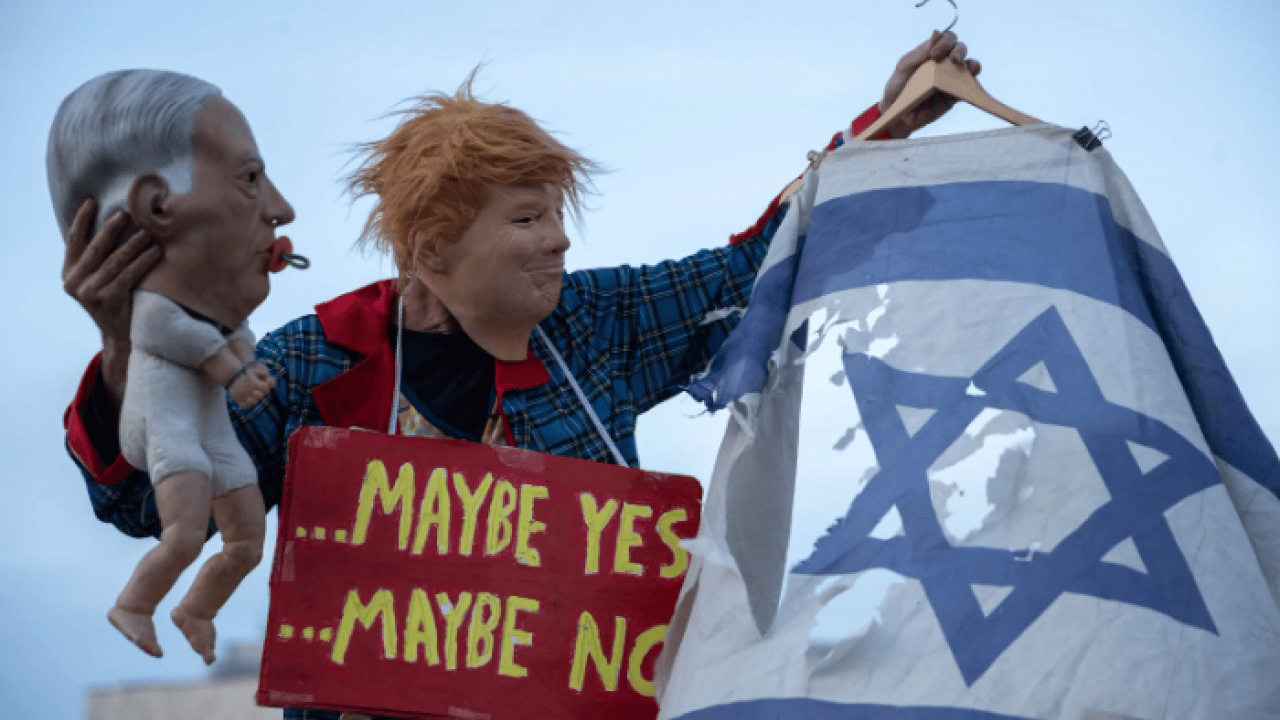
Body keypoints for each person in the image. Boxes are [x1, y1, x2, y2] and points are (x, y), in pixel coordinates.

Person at [59, 32, 979, 720]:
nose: (561, 240)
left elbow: (753, 270)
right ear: (432, 250)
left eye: (556, 214)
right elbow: (146, 502)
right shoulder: (317, 362)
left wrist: (881, 130)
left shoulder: (599, 325)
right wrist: (120, 350)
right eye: (528, 219)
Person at [48, 70, 295, 665]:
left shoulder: (247, 333)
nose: (282, 209)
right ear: (157, 206)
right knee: (183, 531)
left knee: (246, 540)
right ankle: (136, 604)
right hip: (172, 431)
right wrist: (122, 342)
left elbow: (229, 347)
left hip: (207, 432)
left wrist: (239, 364)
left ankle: (196, 607)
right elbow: (135, 508)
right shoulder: (165, 320)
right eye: (251, 179)